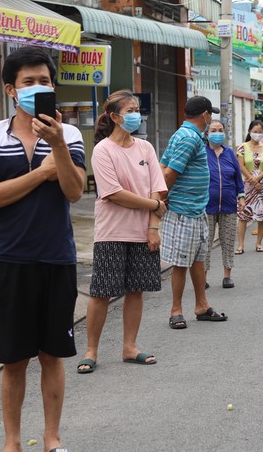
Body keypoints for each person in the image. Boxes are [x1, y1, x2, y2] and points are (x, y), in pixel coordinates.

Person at [0, 46, 86, 452]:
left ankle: (52, 440)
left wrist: (55, 146)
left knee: (52, 354)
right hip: (13, 259)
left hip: (58, 257)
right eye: (28, 82)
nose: (38, 88)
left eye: (44, 81)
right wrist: (40, 175)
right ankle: (13, 442)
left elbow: (74, 192)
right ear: (10, 90)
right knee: (14, 359)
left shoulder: (69, 135)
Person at [76, 90, 166, 375]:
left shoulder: (145, 148)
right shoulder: (103, 150)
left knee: (135, 290)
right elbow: (114, 193)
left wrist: (153, 226)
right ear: (114, 117)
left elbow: (158, 187)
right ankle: (91, 350)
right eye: (129, 110)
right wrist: (155, 205)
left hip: (143, 232)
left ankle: (130, 347)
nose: (135, 114)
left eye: (137, 109)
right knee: (101, 292)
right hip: (112, 232)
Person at [159, 96, 227, 330]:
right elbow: (168, 173)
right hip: (184, 210)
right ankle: (176, 310)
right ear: (205, 115)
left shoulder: (185, 134)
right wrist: (158, 201)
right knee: (181, 262)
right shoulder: (189, 138)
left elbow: (162, 165)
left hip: (197, 210)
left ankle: (202, 305)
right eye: (211, 115)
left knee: (198, 259)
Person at [205, 120, 245, 287]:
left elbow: (237, 177)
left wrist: (241, 196)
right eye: (213, 130)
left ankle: (227, 275)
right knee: (205, 243)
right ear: (207, 134)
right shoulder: (201, 153)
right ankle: (203, 278)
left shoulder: (229, 153)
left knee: (228, 240)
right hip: (206, 206)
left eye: (220, 130)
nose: (217, 133)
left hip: (228, 204)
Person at [236, 120, 263, 253]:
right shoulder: (242, 147)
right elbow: (240, 166)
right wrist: (252, 180)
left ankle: (259, 243)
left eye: (260, 132)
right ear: (249, 132)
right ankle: (240, 245)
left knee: (262, 215)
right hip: (246, 185)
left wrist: (258, 178)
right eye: (255, 131)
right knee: (243, 215)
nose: (257, 134)